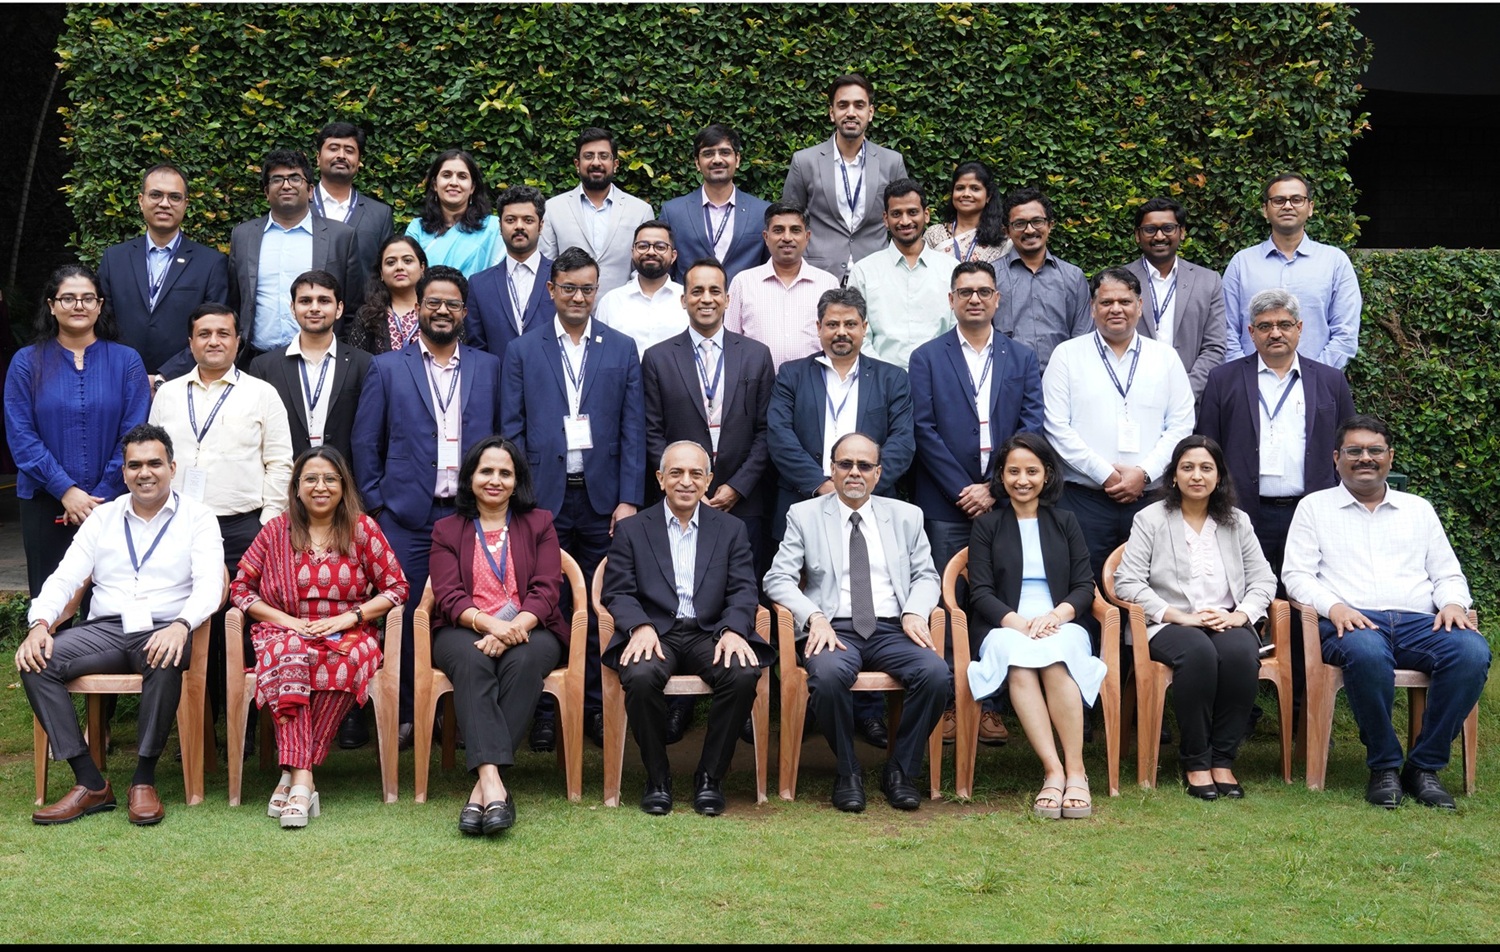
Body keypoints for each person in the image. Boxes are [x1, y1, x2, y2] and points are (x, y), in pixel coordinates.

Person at [18, 423, 224, 826]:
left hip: (165, 626)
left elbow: (210, 584)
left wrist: (182, 624)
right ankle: (90, 782)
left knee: (166, 655)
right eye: (134, 465)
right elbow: (65, 576)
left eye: (154, 464)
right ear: (124, 472)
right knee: (35, 659)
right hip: (107, 629)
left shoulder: (198, 518)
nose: (144, 473)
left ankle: (143, 780)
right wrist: (40, 623)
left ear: (172, 467)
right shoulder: (104, 518)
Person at [1283, 415, 1490, 810]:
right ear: (1336, 458)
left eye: (1375, 450)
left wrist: (1451, 603)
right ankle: (1385, 766)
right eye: (1355, 451)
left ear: (1390, 458)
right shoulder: (1314, 508)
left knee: (1471, 652)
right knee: (1366, 653)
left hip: (1419, 623)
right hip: (1351, 621)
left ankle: (1424, 766)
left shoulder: (1418, 509)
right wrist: (1335, 606)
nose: (1366, 458)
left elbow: (1447, 572)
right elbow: (1296, 575)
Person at [353, 264, 504, 748]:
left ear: (464, 312)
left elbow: (502, 440)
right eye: (433, 302)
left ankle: (460, 716)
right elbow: (364, 443)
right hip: (406, 518)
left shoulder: (489, 368)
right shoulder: (387, 368)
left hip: (469, 516)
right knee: (401, 611)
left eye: (452, 304)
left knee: (469, 612)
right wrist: (377, 507)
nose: (442, 311)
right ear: (418, 308)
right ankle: (402, 713)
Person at [501, 246, 645, 749]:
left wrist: (629, 499)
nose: (578, 296)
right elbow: (511, 430)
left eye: (587, 288)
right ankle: (546, 707)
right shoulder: (523, 349)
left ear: (597, 290)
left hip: (605, 502)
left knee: (604, 604)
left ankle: (596, 705)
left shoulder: (622, 348)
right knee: (547, 604)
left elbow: (633, 429)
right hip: (543, 502)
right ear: (551, 291)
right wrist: (521, 501)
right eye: (569, 288)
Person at [763, 432, 949, 813]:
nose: (854, 473)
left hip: (891, 627)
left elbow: (927, 576)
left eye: (864, 466)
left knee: (935, 674)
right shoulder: (804, 514)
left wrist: (914, 610)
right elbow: (777, 579)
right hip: (834, 627)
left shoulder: (906, 515)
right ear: (831, 469)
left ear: (878, 474)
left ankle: (899, 771)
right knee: (829, 678)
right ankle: (848, 772)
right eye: (845, 464)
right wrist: (813, 617)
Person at [230, 446, 409, 828]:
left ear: (343, 486)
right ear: (296, 487)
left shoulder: (362, 529)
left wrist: (350, 617)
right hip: (285, 628)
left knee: (337, 660)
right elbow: (241, 590)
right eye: (310, 479)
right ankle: (304, 778)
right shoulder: (276, 531)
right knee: (291, 652)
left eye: (330, 478)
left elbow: (396, 588)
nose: (321, 486)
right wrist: (288, 622)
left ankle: (293, 772)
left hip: (349, 631)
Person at [909, 260, 1045, 747]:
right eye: (964, 291)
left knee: (996, 600)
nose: (974, 299)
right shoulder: (926, 357)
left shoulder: (1022, 357)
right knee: (946, 606)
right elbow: (921, 429)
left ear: (997, 299)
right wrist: (964, 490)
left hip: (1005, 503)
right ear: (950, 299)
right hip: (947, 505)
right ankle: (947, 702)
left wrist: (994, 486)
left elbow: (1030, 427)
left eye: (984, 291)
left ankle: (989, 705)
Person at [149, 303, 295, 751]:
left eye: (224, 333)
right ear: (190, 342)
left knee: (245, 625)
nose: (214, 341)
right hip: (181, 529)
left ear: (237, 341)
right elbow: (154, 462)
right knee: (191, 625)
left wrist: (268, 528)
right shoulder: (168, 395)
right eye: (204, 333)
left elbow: (280, 462)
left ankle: (247, 727)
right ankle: (196, 729)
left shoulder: (261, 394)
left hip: (243, 528)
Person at [642, 258, 776, 744]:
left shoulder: (756, 355)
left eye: (714, 291)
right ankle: (679, 706)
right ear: (683, 298)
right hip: (681, 498)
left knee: (738, 595)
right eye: (696, 290)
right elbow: (653, 433)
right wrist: (689, 487)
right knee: (683, 596)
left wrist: (736, 485)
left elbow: (766, 431)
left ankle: (735, 702)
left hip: (743, 499)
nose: (705, 298)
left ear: (727, 298)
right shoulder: (658, 357)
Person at [603, 441, 771, 815]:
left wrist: (733, 630)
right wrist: (639, 627)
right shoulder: (632, 529)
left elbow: (745, 589)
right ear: (660, 478)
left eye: (696, 473)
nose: (686, 481)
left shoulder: (731, 528)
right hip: (655, 631)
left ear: (708, 480)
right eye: (676, 473)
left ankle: (710, 777)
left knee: (743, 674)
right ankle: (657, 778)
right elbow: (616, 591)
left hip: (709, 631)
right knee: (642, 675)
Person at [1113, 435, 1276, 801]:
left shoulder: (1236, 521)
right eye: (1187, 467)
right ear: (1173, 476)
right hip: (1168, 623)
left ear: (1219, 476)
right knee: (1198, 654)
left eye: (1206, 468)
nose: (1197, 476)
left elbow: (1264, 578)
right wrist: (1178, 616)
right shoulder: (1150, 518)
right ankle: (1196, 761)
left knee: (1238, 655)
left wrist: (1242, 615)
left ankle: (1223, 759)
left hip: (1225, 619)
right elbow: (1127, 580)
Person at [428, 438, 568, 835]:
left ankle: (481, 788)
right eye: (486, 471)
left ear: (517, 480)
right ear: (470, 477)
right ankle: (493, 782)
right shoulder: (446, 529)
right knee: (472, 662)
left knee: (525, 661)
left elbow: (546, 589)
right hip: (465, 628)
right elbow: (449, 594)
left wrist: (515, 628)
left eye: (505, 473)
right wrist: (492, 627)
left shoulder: (539, 522)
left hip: (532, 628)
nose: (495, 480)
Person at [965, 433, 1105, 817]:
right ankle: (1053, 771)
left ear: (1047, 475)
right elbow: (980, 592)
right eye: (1013, 471)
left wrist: (1055, 616)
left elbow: (1083, 585)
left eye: (1031, 471)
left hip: (1061, 618)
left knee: (1057, 661)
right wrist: (1019, 624)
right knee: (1021, 666)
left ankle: (1077, 771)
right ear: (1001, 475)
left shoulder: (1065, 521)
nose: (1022, 480)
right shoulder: (987, 525)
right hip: (1005, 622)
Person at [1043, 267, 1195, 587]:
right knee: (1084, 585)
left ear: (1139, 307)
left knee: (1154, 586)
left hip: (1151, 498)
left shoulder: (1165, 358)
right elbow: (1056, 427)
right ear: (1092, 308)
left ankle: (1144, 641)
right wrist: (1105, 473)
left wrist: (1144, 472)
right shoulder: (1067, 356)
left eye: (1125, 301)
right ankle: (1095, 639)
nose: (1116, 309)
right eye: (1106, 301)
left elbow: (1181, 425)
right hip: (1084, 501)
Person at [5, 265, 150, 598]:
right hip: (45, 502)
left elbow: (134, 434)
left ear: (100, 305)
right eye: (68, 298)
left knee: (111, 603)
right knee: (50, 601)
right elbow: (21, 436)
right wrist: (65, 490)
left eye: (88, 298)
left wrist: (100, 496)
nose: (79, 306)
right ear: (51, 305)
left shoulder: (127, 361)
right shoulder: (27, 363)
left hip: (113, 501)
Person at [1197, 288, 1356, 579]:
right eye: (1265, 326)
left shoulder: (1331, 380)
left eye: (1284, 325)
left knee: (1306, 596)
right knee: (1242, 593)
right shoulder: (1223, 379)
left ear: (1299, 329)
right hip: (1242, 509)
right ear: (1251, 332)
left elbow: (1350, 443)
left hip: (1311, 510)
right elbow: (1207, 445)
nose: (1275, 333)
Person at [228, 148, 364, 363]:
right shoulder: (243, 236)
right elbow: (235, 301)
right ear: (266, 191)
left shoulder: (341, 236)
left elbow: (353, 306)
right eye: (277, 179)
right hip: (255, 359)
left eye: (294, 178)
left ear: (310, 190)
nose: (286, 185)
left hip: (321, 360)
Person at [96, 164, 229, 381]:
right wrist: (128, 374)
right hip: (118, 380)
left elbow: (213, 330)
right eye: (156, 195)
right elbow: (101, 323)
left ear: (185, 204)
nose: (164, 204)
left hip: (184, 383)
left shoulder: (211, 263)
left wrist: (165, 376)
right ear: (141, 200)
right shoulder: (114, 259)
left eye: (174, 197)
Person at [1222, 173, 1362, 370]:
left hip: (1317, 387)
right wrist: (1246, 375)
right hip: (1250, 387)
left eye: (1296, 199)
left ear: (1310, 208)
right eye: (1278, 200)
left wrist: (1313, 376)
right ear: (1265, 210)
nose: (1288, 206)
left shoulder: (1335, 262)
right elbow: (1226, 330)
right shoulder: (1241, 263)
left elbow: (1345, 334)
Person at [781, 74, 909, 282]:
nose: (851, 113)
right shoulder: (804, 162)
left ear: (870, 112)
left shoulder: (892, 162)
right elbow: (788, 220)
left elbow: (904, 221)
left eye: (859, 105)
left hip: (877, 276)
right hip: (818, 276)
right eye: (843, 105)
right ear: (832, 113)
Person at [248, 270, 373, 466]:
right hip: (285, 480)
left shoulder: (364, 364)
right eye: (305, 301)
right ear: (292, 307)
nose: (314, 308)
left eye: (324, 301)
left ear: (339, 308)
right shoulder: (264, 367)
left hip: (347, 481)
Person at [1120, 197, 1226, 401]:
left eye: (1168, 228)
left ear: (1182, 232)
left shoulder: (1208, 281)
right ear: (1137, 236)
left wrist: (1185, 391)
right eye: (1150, 229)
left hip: (1192, 401)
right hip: (1132, 397)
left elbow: (1215, 347)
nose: (1160, 236)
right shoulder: (1119, 281)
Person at [849, 178, 957, 370]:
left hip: (940, 378)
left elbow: (957, 330)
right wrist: (885, 375)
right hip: (880, 383)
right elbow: (857, 332)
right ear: (885, 219)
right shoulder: (864, 271)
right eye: (896, 214)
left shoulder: (950, 270)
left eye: (912, 212)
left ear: (926, 214)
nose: (905, 221)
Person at [724, 202, 841, 371]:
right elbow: (731, 343)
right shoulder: (743, 283)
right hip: (756, 386)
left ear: (807, 237)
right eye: (778, 230)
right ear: (766, 237)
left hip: (813, 384)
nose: (787, 237)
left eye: (795, 230)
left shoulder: (827, 284)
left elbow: (834, 339)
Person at [539, 127, 655, 298]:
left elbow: (643, 269)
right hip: (569, 310)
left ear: (615, 164)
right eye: (588, 156)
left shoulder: (640, 211)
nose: (596, 162)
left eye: (603, 156)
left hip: (623, 314)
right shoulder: (553, 209)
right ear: (577, 164)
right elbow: (547, 267)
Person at [991, 186, 1092, 371]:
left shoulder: (1073, 277)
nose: (1029, 230)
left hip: (1062, 381)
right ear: (1006, 231)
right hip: (1006, 381)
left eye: (1037, 221)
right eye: (1019, 224)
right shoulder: (991, 276)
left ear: (1050, 225)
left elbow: (1083, 338)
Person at [657, 123, 771, 286]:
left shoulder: (762, 212)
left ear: (737, 159)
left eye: (725, 152)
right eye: (708, 153)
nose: (717, 160)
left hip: (745, 308)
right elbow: (665, 271)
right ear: (697, 163)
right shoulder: (673, 212)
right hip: (689, 309)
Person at [465, 185, 556, 365]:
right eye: (510, 220)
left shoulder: (561, 278)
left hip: (551, 388)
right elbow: (476, 349)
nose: (519, 226)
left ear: (541, 226)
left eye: (528, 220)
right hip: (498, 387)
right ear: (500, 226)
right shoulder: (479, 284)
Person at [312, 121, 394, 283]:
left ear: (358, 162)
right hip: (309, 306)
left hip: (363, 307)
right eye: (333, 148)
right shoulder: (298, 208)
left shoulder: (379, 215)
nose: (341, 155)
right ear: (318, 158)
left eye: (349, 151)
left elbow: (386, 271)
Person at [404, 149, 502, 278]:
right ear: (434, 184)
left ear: (472, 187)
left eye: (462, 177)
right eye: (446, 175)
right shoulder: (417, 228)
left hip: (478, 298)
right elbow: (408, 276)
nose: (454, 183)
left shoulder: (493, 228)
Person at [594, 221, 686, 358]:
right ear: (633, 252)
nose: (650, 252)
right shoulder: (611, 301)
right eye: (643, 246)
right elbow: (599, 353)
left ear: (673, 256)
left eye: (660, 247)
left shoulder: (689, 299)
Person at [347, 235, 427, 355]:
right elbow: (356, 365)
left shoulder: (439, 310)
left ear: (422, 268)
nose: (399, 267)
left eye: (408, 261)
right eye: (391, 262)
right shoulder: (367, 315)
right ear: (381, 273)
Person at [924, 161, 1011, 264]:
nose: (966, 194)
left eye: (975, 189)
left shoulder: (1002, 237)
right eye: (960, 188)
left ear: (988, 196)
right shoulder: (934, 234)